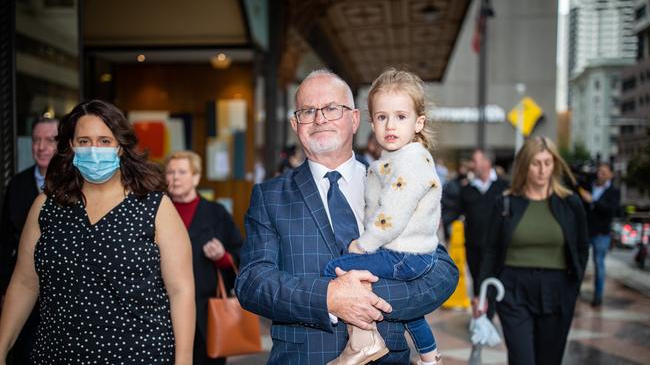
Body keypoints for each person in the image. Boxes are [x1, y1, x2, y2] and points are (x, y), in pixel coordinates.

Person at [235, 69, 459, 364]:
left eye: (331, 108)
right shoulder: (270, 196)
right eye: (307, 111)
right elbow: (252, 282)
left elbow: (442, 271)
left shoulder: (392, 182)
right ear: (295, 124)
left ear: (354, 119)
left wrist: (365, 299)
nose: (320, 119)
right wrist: (328, 298)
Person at [0, 100, 195, 365]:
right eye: (84, 141)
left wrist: (183, 361)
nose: (94, 150)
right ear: (71, 146)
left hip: (139, 355)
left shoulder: (153, 207)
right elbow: (24, 283)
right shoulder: (46, 206)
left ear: (121, 147)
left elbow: (181, 290)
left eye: (104, 141)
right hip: (56, 355)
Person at [321, 69, 453, 365]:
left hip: (405, 254)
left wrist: (362, 245)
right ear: (371, 121)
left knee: (337, 269)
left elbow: (389, 217)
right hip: (413, 252)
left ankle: (363, 343)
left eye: (401, 117)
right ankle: (430, 357)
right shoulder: (395, 159)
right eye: (382, 117)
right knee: (409, 309)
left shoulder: (410, 161)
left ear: (419, 122)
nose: (390, 125)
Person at [475, 136, 588, 365]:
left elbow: (581, 248)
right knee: (522, 359)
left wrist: (573, 287)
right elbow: (491, 250)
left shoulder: (570, 203)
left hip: (558, 290)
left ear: (555, 164)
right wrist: (481, 293)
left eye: (548, 163)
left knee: (549, 360)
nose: (542, 170)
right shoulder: (505, 203)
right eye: (536, 163)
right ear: (525, 165)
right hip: (513, 289)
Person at [165, 150, 243, 365]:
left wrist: (222, 257)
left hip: (207, 315)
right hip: (162, 312)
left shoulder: (216, 213)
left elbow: (241, 255)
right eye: (170, 172)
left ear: (196, 177)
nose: (175, 177)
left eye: (182, 171)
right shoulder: (156, 212)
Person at [0, 116, 58, 365]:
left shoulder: (77, 186)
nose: (41, 147)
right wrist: (4, 289)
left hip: (60, 295)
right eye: (36, 140)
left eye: (49, 140)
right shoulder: (18, 184)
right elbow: (4, 242)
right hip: (23, 289)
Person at [454, 149, 508, 297]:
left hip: (497, 247)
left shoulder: (505, 188)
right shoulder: (467, 189)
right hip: (473, 246)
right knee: (478, 284)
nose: (472, 165)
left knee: (494, 282)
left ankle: (489, 315)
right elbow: (455, 212)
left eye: (475, 161)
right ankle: (480, 317)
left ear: (486, 162)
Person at [578, 162, 620, 307]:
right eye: (599, 171)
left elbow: (611, 210)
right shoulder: (589, 185)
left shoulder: (614, 191)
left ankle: (598, 296)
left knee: (599, 264)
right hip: (586, 230)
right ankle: (575, 290)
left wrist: (593, 201)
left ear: (610, 175)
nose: (599, 174)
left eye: (603, 172)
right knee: (580, 262)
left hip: (602, 233)